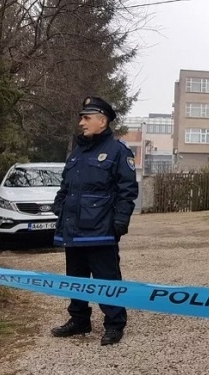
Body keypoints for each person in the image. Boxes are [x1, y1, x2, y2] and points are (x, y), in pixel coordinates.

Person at [51, 96, 138, 346]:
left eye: (86, 118)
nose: (81, 122)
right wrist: (59, 205)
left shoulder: (118, 151)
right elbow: (66, 186)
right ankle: (79, 319)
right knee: (75, 278)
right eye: (81, 117)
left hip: (101, 228)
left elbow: (127, 190)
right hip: (73, 228)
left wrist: (120, 221)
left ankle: (114, 323)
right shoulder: (76, 152)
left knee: (106, 278)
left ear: (102, 121)